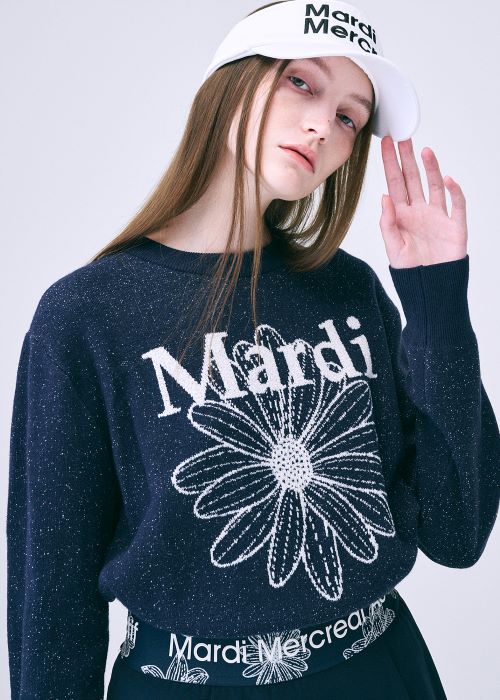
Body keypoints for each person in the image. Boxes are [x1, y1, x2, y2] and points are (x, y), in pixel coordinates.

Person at [6, 1, 500, 698]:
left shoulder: (349, 291)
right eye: (302, 81)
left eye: (350, 117)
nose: (323, 125)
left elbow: (456, 531)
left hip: (381, 671)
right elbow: (52, 593)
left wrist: (436, 302)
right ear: (232, 83)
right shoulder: (86, 315)